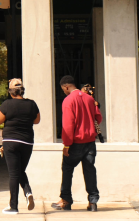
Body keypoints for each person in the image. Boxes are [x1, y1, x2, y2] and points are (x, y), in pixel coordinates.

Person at [52, 75, 101, 212]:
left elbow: (68, 124)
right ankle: (93, 202)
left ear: (66, 86)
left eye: (63, 89)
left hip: (75, 142)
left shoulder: (68, 101)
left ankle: (66, 200)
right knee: (90, 170)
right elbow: (98, 117)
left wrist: (66, 144)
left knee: (67, 169)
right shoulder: (90, 99)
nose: (64, 91)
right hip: (90, 141)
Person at [0, 78, 40, 214]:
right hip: (27, 142)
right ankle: (28, 192)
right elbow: (37, 120)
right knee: (19, 171)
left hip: (10, 142)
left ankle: (13, 206)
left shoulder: (7, 104)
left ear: (10, 91)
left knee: (14, 174)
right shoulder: (31, 104)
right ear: (22, 90)